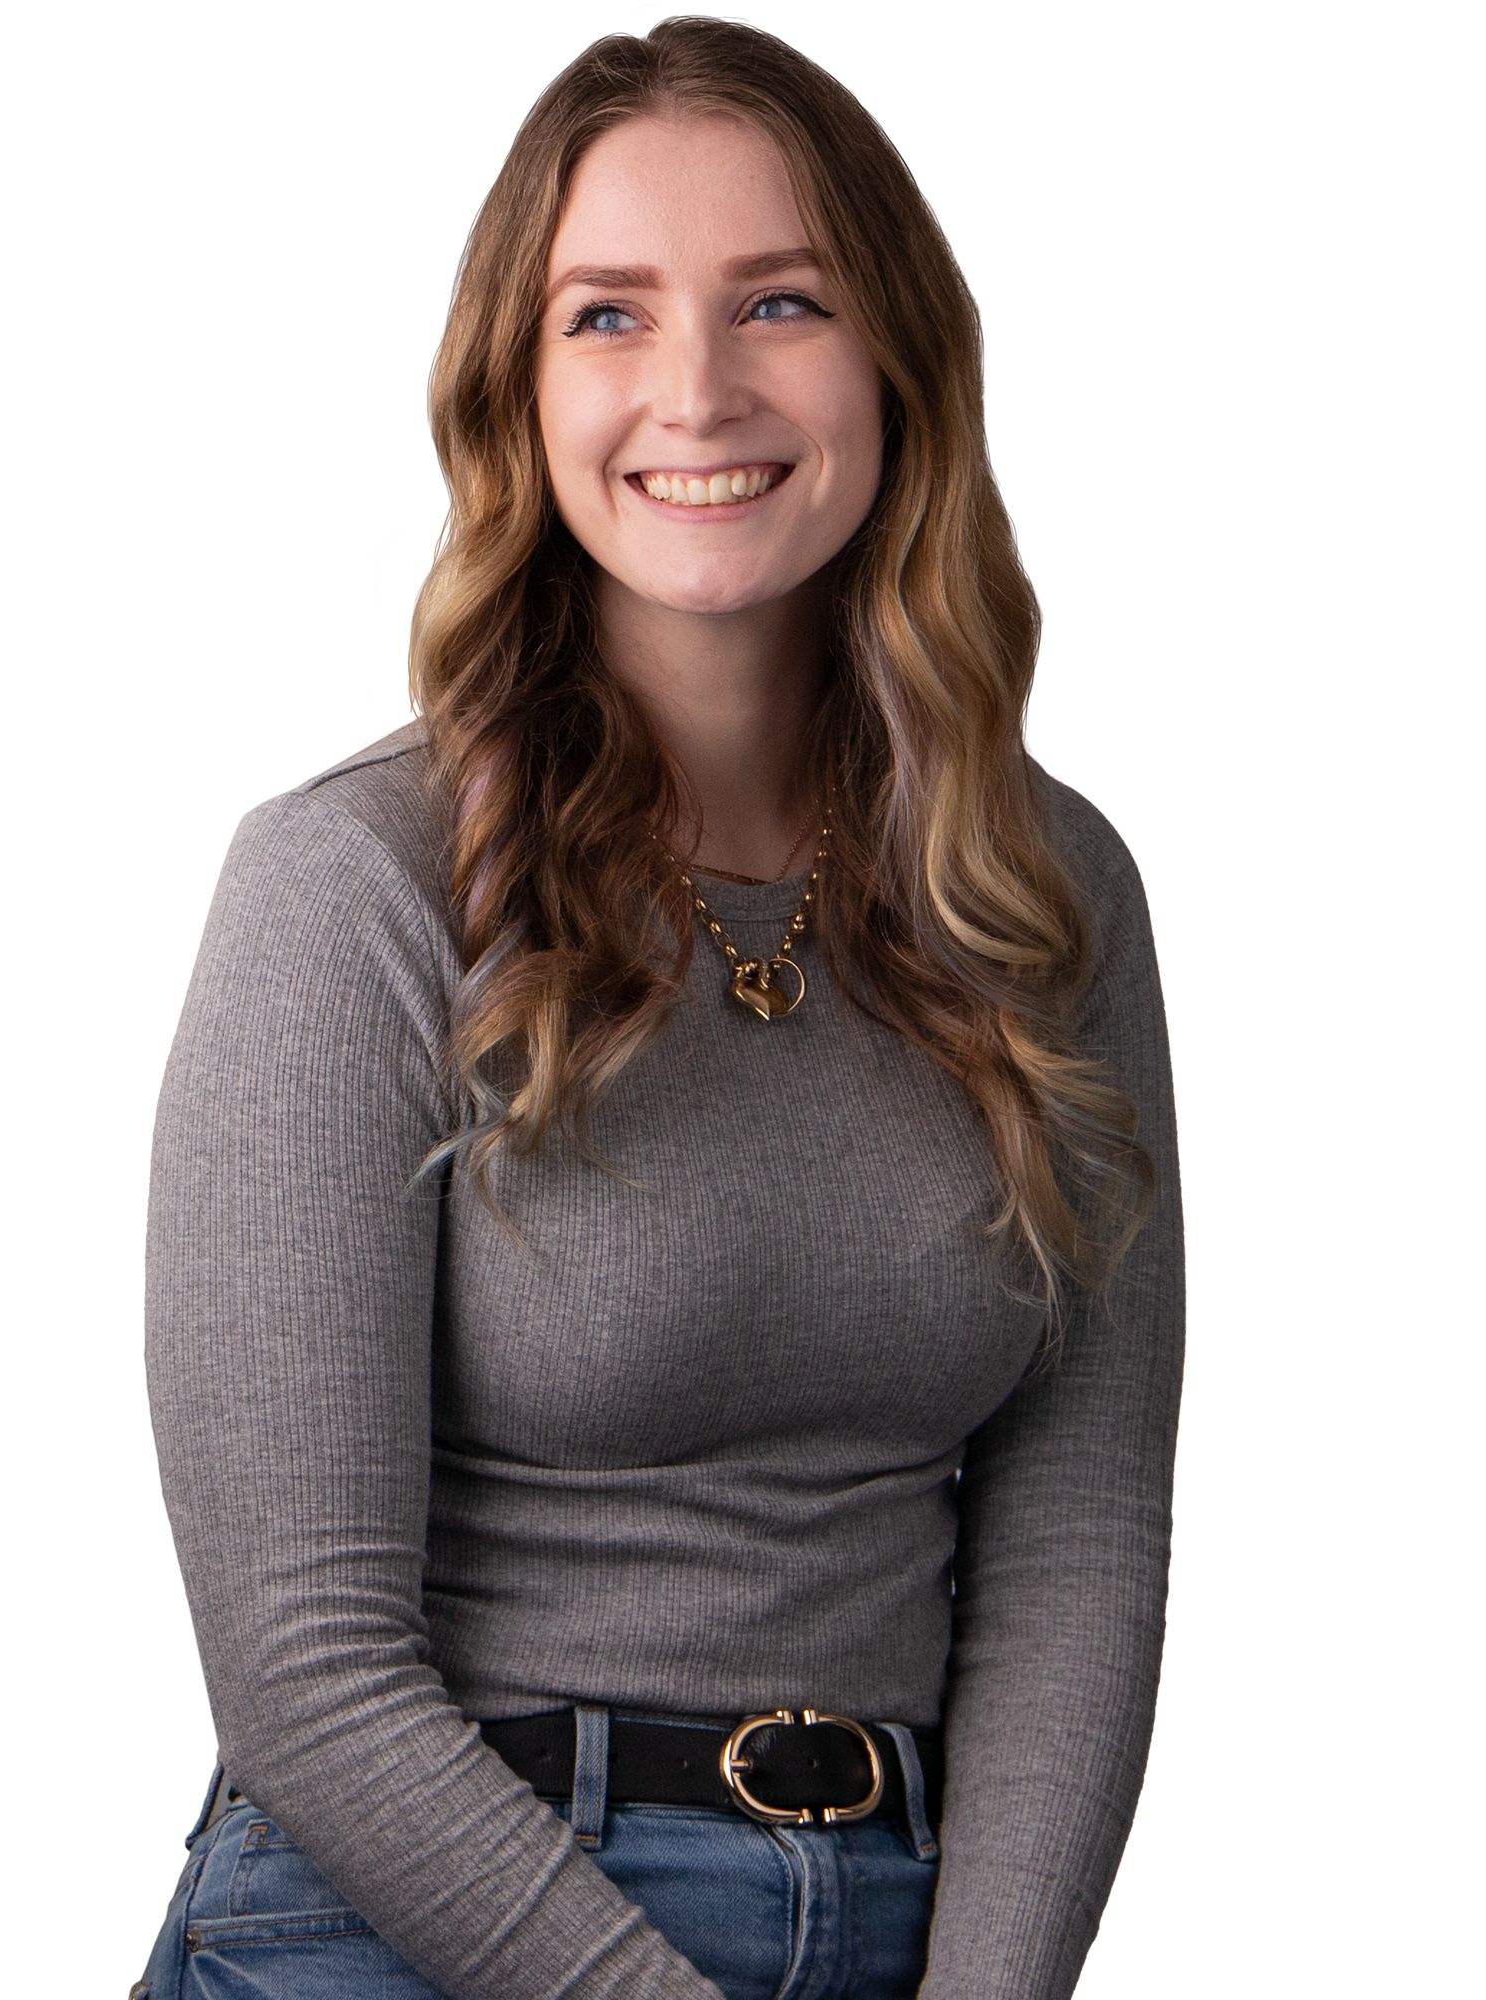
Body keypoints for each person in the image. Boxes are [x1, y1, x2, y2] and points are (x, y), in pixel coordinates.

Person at [137, 24, 1184, 2000]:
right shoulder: (353, 885)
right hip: (410, 1929)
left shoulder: (1041, 893)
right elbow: (300, 1663)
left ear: (891, 361)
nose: (693, 389)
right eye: (604, 314)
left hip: (904, 1919)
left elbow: (1076, 1558)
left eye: (777, 300)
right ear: (518, 394)